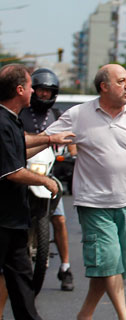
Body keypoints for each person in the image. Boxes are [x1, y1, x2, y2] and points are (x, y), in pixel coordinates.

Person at [44, 64, 126, 320]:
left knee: (113, 266)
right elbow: (46, 139)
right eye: (121, 81)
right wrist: (16, 147)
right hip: (93, 203)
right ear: (104, 87)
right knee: (110, 263)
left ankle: (85, 316)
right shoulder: (78, 115)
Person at [1, 63, 74, 320]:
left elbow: (18, 148)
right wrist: (45, 180)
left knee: (21, 277)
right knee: (19, 275)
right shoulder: (3, 121)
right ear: (20, 90)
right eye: (31, 86)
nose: (34, 91)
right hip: (2, 219)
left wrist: (49, 139)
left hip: (13, 218)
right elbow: (11, 171)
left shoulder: (11, 119)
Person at [19, 68, 74, 291]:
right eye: (40, 91)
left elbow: (70, 136)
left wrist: (75, 151)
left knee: (59, 219)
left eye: (47, 92)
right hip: (24, 171)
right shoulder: (20, 113)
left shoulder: (57, 115)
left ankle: (66, 267)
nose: (43, 95)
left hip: (46, 174)